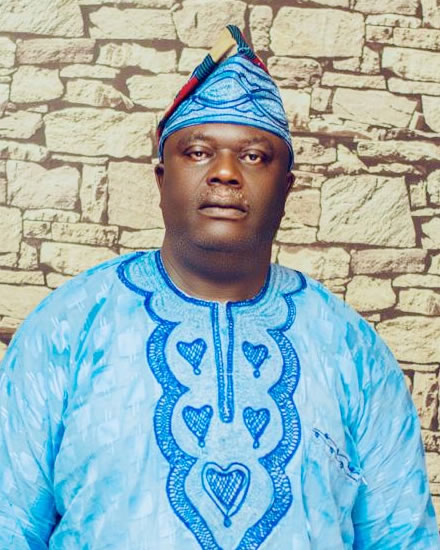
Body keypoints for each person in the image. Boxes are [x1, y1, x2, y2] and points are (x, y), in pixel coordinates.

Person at [0, 25, 438, 550]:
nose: (225, 173)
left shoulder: (351, 349)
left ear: (287, 187)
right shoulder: (67, 327)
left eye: (253, 156)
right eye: (198, 152)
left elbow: (404, 537)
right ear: (161, 179)